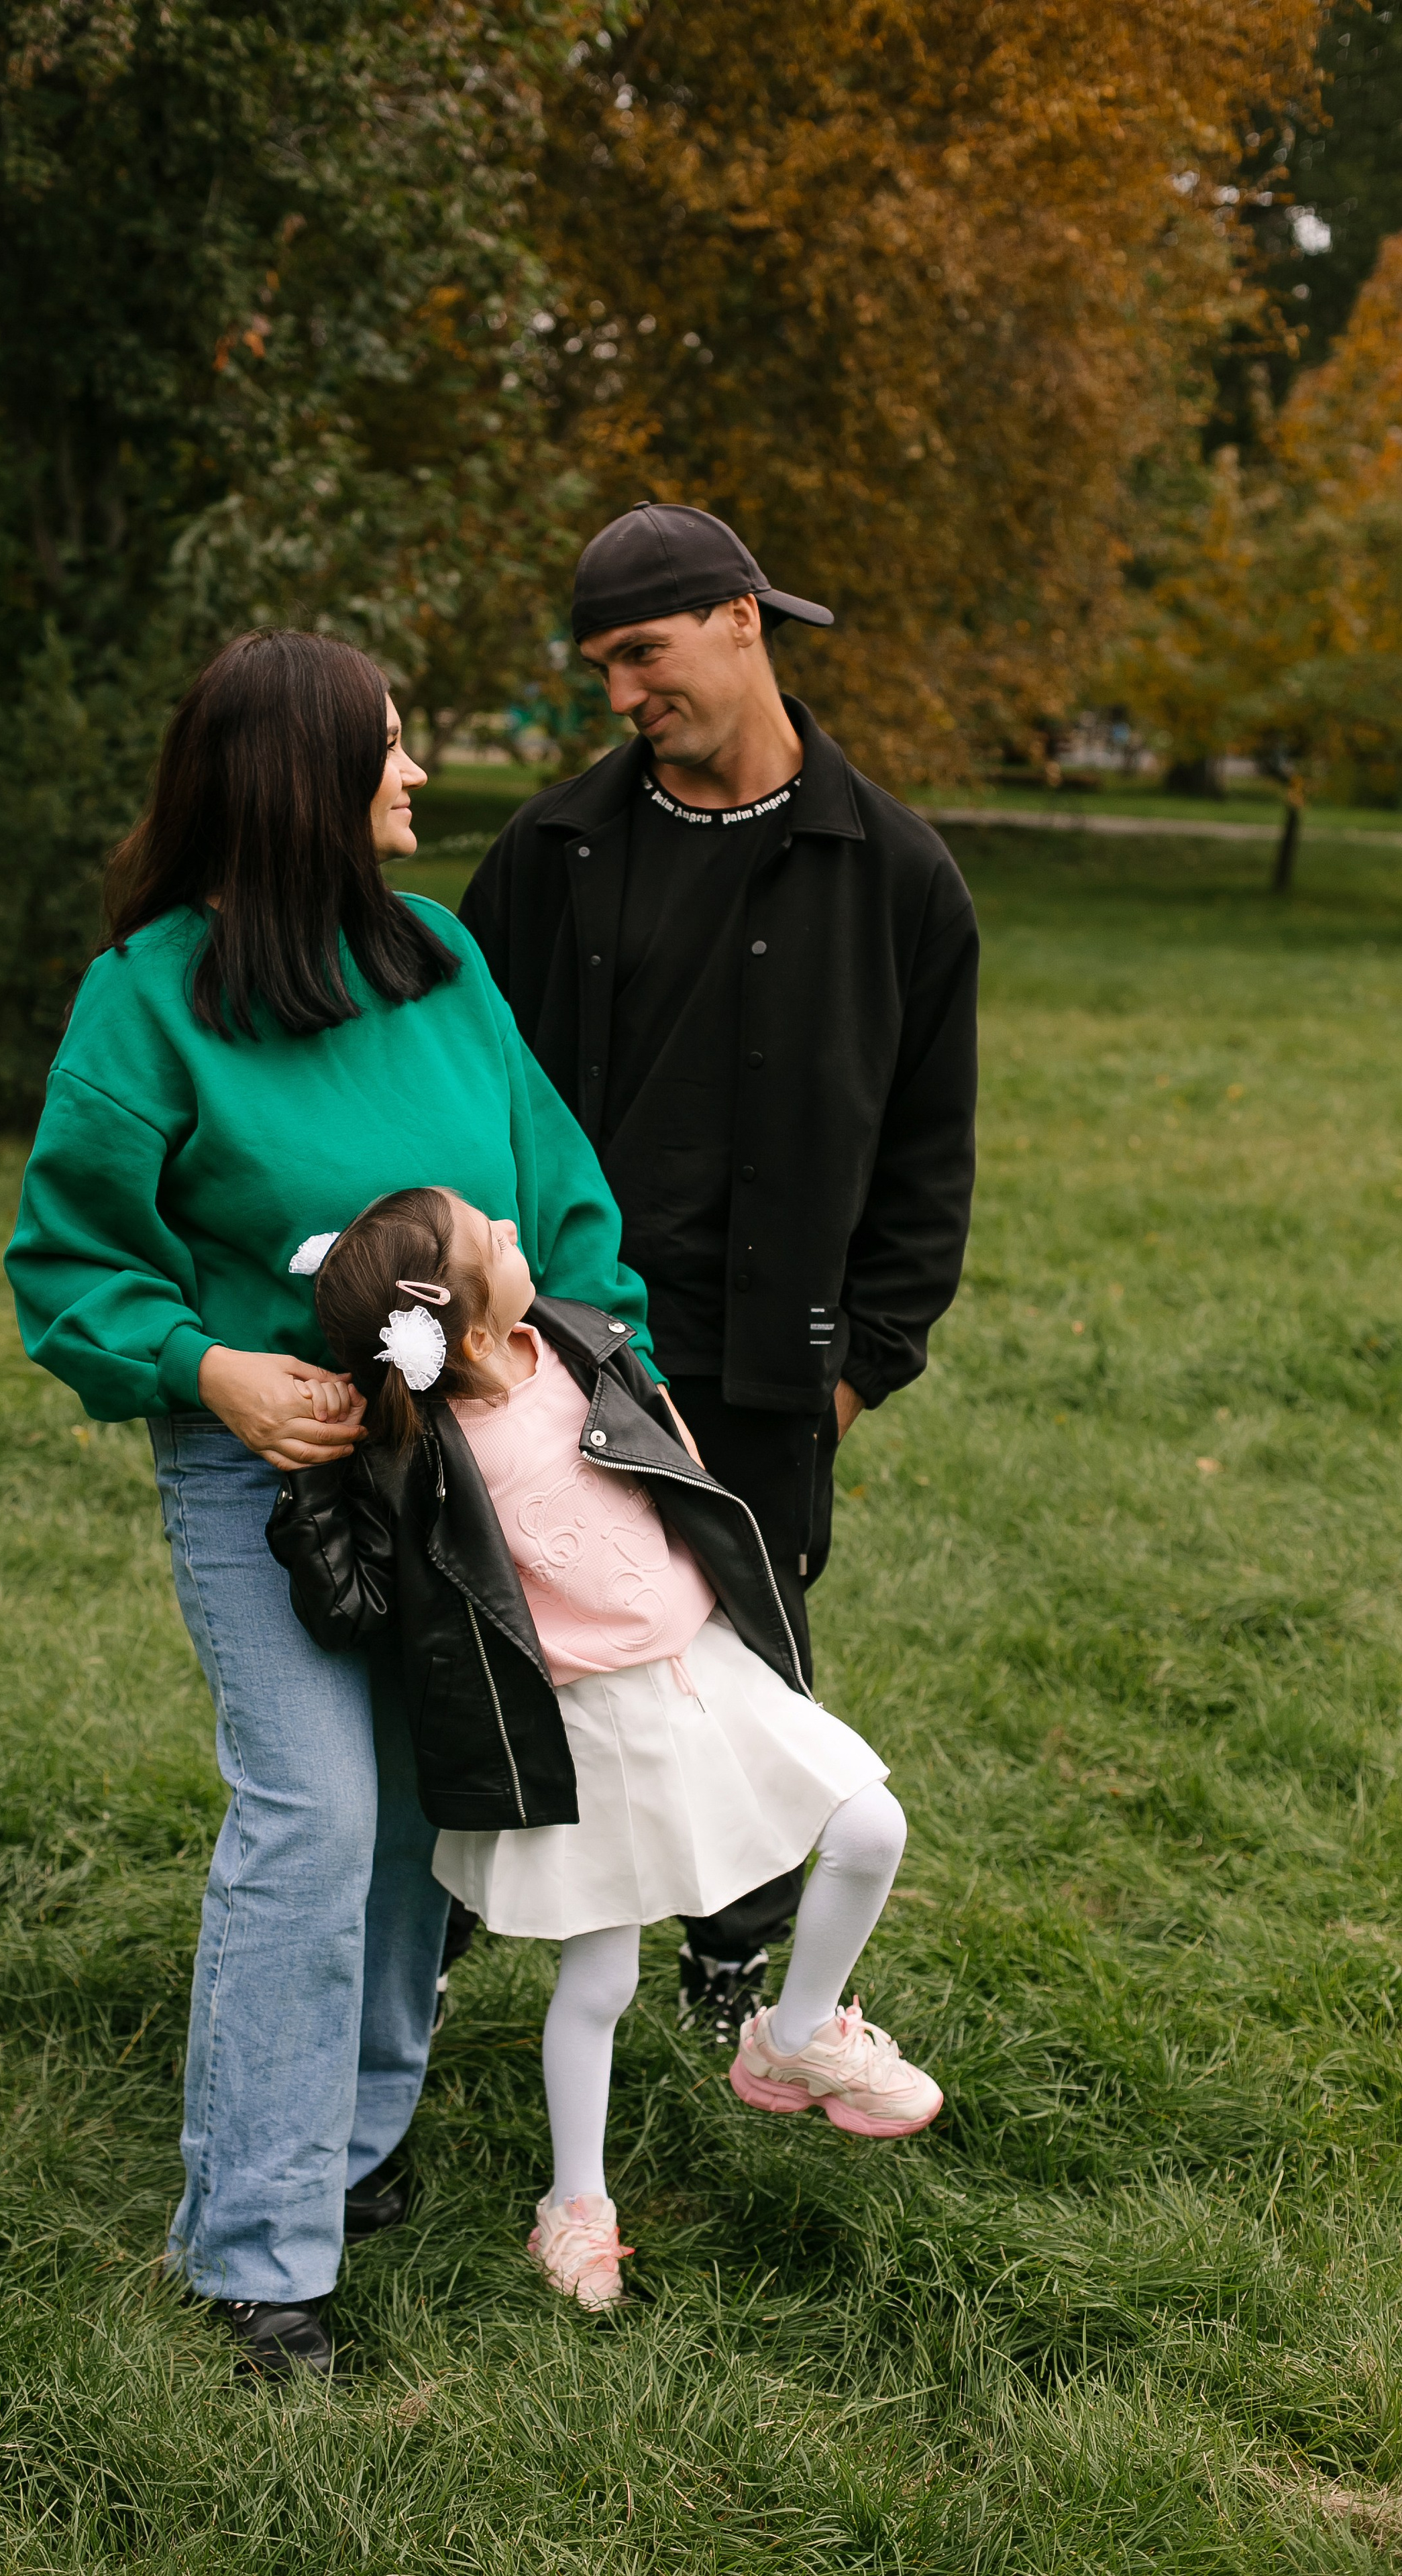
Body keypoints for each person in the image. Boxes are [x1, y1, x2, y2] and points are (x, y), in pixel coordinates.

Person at [4, 630, 659, 2379]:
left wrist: (606, 1390)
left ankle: (350, 2150)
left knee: (410, 1812)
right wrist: (204, 1369)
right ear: (297, 782)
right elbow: (68, 1258)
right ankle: (258, 2252)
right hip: (273, 1474)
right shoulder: (146, 996)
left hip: (468, 1456)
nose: (416, 774)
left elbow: (561, 1193)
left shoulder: (437, 954)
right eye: (385, 748)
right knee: (311, 1815)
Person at [459, 503, 979, 2044]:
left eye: (642, 653)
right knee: (502, 1654)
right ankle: (429, 1948)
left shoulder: (896, 876)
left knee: (744, 1674)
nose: (620, 695)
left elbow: (925, 1160)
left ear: (741, 620)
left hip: (764, 1369)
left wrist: (850, 1369)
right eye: (601, 666)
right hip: (550, 1353)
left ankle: (733, 1966)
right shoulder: (549, 853)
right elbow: (455, 1088)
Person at [269, 1185, 941, 2308]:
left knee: (871, 1823)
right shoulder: (421, 1456)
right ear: (467, 1328)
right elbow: (360, 1607)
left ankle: (799, 2033)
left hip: (703, 1668)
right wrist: (314, 1491)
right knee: (601, 1976)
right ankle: (574, 2204)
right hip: (582, 1724)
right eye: (494, 1240)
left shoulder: (585, 1345)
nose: (518, 1236)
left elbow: (677, 1470)